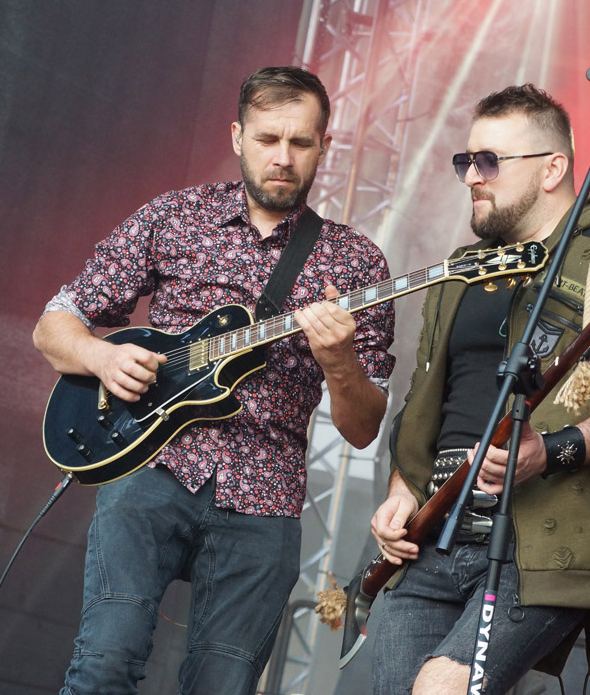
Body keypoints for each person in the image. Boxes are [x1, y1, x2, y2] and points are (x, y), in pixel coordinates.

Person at [33, 65, 396, 695]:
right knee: (104, 665)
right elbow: (53, 326)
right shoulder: (175, 216)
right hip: (150, 467)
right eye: (267, 139)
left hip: (266, 499)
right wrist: (100, 358)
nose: (282, 157)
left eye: (300, 142)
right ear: (237, 137)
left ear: (324, 146)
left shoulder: (356, 263)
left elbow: (363, 429)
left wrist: (339, 361)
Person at [368, 83, 590, 694]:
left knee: (439, 688)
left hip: (540, 547)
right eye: (466, 161)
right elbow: (427, 402)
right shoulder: (462, 268)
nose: (472, 176)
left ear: (552, 170)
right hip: (434, 538)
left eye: (489, 161)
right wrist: (401, 493)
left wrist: (551, 450)